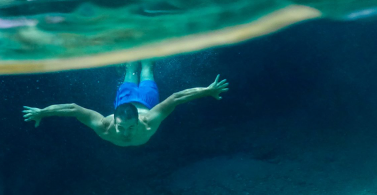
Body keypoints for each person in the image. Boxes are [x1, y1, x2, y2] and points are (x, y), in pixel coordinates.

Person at [22, 61, 229, 147]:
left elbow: (176, 98)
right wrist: (42, 112)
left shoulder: (149, 120)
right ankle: (131, 52)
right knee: (132, 71)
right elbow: (74, 109)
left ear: (139, 121)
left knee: (147, 69)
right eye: (122, 127)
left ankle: (146, 56)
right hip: (126, 98)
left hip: (146, 101)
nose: (126, 133)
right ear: (114, 120)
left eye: (131, 127)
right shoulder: (105, 125)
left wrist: (207, 90)